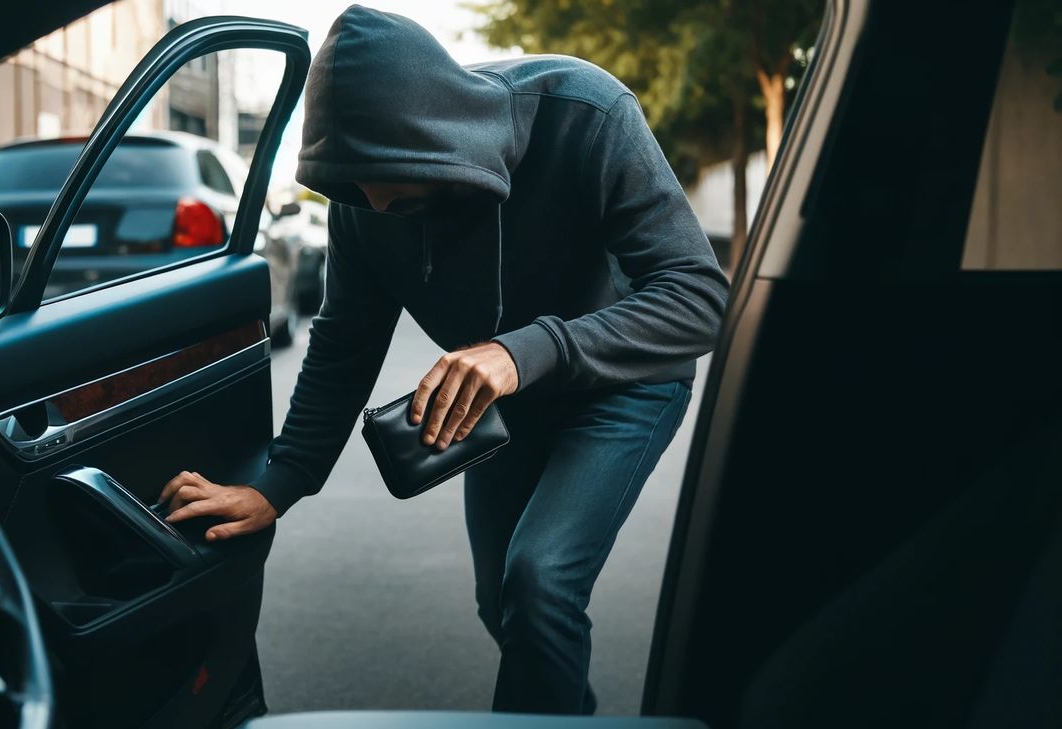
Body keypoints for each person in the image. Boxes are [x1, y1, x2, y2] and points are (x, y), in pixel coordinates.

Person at [158, 5, 729, 715]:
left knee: (540, 580)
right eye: (356, 188)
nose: (375, 202)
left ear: (431, 135)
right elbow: (344, 341)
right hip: (504, 401)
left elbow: (698, 295)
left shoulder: (586, 114)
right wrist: (279, 483)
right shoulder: (364, 197)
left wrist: (527, 349)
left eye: (391, 183)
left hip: (623, 381)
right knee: (506, 607)